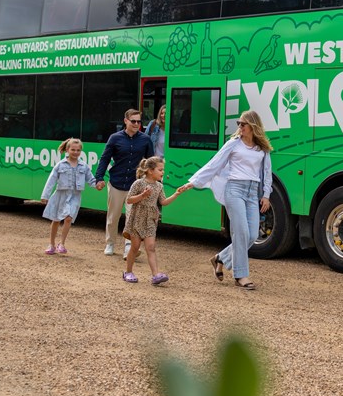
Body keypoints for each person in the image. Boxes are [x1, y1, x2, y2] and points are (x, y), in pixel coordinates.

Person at [176, 109, 272, 291]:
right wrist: (193, 182)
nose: (240, 126)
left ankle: (220, 258)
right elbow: (214, 163)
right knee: (241, 232)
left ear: (253, 125)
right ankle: (241, 275)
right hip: (234, 190)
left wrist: (266, 195)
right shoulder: (233, 143)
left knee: (252, 235)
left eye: (243, 124)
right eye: (238, 123)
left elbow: (267, 173)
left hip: (252, 192)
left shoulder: (262, 148)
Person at [95, 109, 152, 258]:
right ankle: (110, 243)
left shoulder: (146, 139)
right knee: (113, 217)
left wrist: (152, 182)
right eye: (133, 121)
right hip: (116, 182)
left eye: (139, 121)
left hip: (136, 185)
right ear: (125, 121)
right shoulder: (115, 138)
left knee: (132, 217)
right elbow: (105, 159)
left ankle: (128, 247)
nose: (136, 124)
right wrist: (99, 177)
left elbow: (150, 162)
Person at [122, 156, 182, 285]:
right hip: (137, 219)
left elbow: (163, 202)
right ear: (150, 171)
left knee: (151, 247)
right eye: (160, 170)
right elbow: (129, 200)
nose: (163, 172)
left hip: (151, 220)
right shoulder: (138, 183)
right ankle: (128, 272)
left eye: (163, 169)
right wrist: (142, 195)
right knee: (135, 247)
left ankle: (155, 275)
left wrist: (176, 194)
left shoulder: (159, 186)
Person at [41, 137, 97, 255]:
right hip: (61, 195)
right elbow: (51, 180)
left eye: (78, 150)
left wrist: (97, 185)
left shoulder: (84, 166)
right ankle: (51, 244)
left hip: (75, 196)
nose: (75, 152)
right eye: (73, 150)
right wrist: (45, 195)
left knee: (68, 218)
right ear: (67, 150)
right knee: (56, 219)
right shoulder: (60, 165)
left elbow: (91, 179)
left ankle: (62, 243)